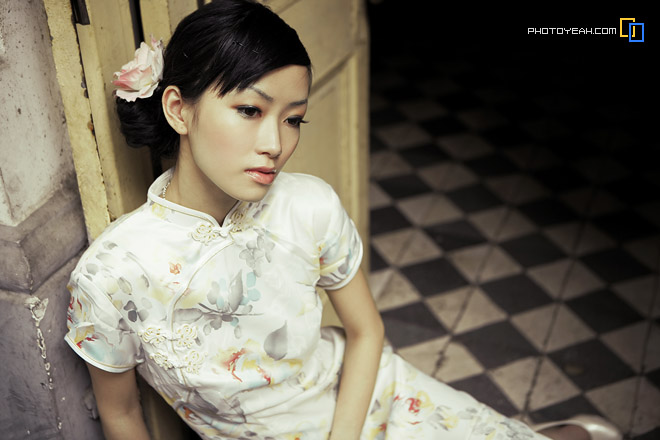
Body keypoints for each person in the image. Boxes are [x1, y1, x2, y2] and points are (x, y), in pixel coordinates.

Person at [64, 1, 621, 439]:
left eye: (293, 119)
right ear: (178, 109)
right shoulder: (111, 275)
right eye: (250, 110)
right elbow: (122, 415)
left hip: (372, 397)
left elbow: (366, 331)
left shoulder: (308, 205)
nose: (275, 143)